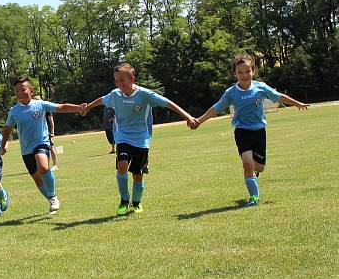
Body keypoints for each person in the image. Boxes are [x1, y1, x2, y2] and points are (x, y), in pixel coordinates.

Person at [81, 63, 198, 216]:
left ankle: (136, 202)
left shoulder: (145, 94)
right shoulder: (115, 94)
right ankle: (124, 200)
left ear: (132, 78)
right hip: (122, 136)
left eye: (122, 80)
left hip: (142, 138)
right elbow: (102, 100)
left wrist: (187, 116)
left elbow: (168, 103)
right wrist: (87, 107)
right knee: (122, 165)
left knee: (137, 173)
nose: (118, 84)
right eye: (116, 81)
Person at [193, 54, 309, 207]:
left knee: (259, 167)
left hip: (259, 131)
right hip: (242, 132)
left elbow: (278, 96)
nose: (244, 75)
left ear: (253, 71)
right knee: (247, 163)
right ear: (235, 74)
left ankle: (254, 174)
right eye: (240, 72)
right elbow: (216, 108)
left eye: (247, 71)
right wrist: (200, 120)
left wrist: (297, 103)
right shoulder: (231, 93)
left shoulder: (260, 87)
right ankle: (254, 197)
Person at [1, 76, 85, 215]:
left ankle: (52, 196)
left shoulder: (40, 104)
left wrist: (78, 108)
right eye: (16, 91)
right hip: (26, 149)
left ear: (31, 91)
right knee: (37, 179)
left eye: (23, 89)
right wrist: (3, 144)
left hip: (42, 143)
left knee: (44, 166)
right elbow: (7, 128)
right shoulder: (14, 111)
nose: (20, 93)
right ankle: (52, 200)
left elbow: (61, 107)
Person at [34, 95, 59, 171]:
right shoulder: (33, 110)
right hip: (37, 133)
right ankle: (44, 166)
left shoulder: (46, 109)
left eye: (38, 100)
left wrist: (52, 131)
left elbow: (51, 121)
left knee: (51, 147)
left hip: (46, 132)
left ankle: (55, 165)